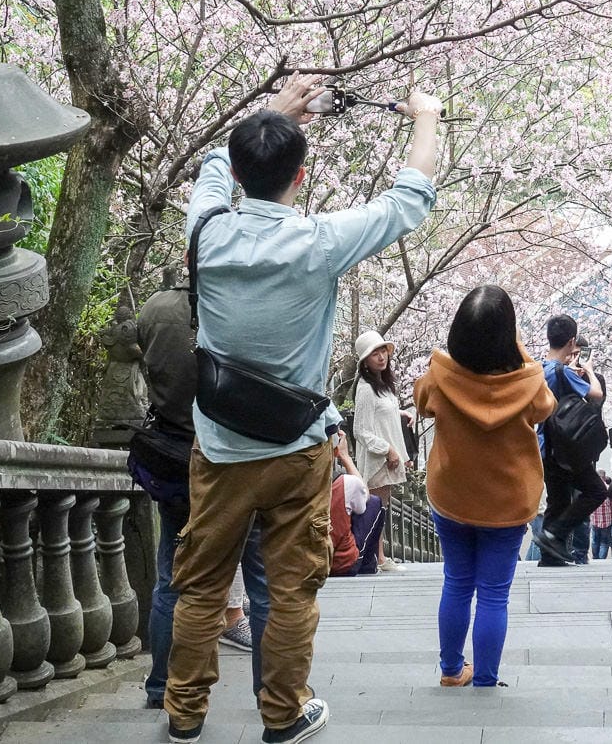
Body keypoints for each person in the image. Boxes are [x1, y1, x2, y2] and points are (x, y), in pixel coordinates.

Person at [164, 75, 440, 744]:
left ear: (237, 172)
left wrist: (269, 114)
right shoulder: (320, 242)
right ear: (303, 173)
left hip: (221, 445)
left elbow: (210, 169)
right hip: (294, 448)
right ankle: (284, 713)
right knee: (291, 587)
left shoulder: (207, 229)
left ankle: (184, 712)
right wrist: (425, 118)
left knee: (201, 583)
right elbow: (407, 201)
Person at [135, 266, 269, 710]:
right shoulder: (236, 308)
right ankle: (272, 694)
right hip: (231, 457)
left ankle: (161, 687)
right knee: (261, 582)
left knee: (171, 580)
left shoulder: (153, 308)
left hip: (173, 454)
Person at [415, 285, 556, 687]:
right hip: (507, 505)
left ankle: (450, 670)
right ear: (508, 337)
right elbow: (546, 408)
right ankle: (485, 678)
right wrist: (521, 352)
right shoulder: (529, 383)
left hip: (452, 497)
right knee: (494, 594)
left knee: (457, 582)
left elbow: (421, 399)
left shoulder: (440, 378)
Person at [533, 315, 607, 566]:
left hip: (544, 445)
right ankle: (555, 534)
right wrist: (588, 371)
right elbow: (596, 395)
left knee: (558, 500)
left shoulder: (538, 369)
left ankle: (549, 556)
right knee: (597, 491)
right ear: (572, 340)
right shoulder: (563, 371)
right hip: (567, 447)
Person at [352, 330, 410, 573]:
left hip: (387, 458)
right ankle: (379, 557)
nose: (380, 357)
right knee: (377, 507)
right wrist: (388, 450)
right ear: (365, 360)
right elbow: (361, 430)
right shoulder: (365, 388)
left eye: (382, 350)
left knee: (381, 506)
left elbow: (381, 414)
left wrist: (401, 413)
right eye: (374, 353)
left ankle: (378, 557)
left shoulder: (382, 385)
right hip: (378, 460)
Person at [328, 432, 383, 577]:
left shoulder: (292, 481)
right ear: (335, 451)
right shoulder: (345, 483)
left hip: (303, 564)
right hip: (341, 564)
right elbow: (365, 496)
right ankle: (368, 565)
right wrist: (345, 457)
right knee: (374, 502)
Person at [589, 470, 612, 559]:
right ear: (604, 477)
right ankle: (601, 560)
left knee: (595, 541)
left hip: (594, 520)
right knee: (604, 542)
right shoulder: (609, 488)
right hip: (607, 521)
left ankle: (595, 558)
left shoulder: (591, 489)